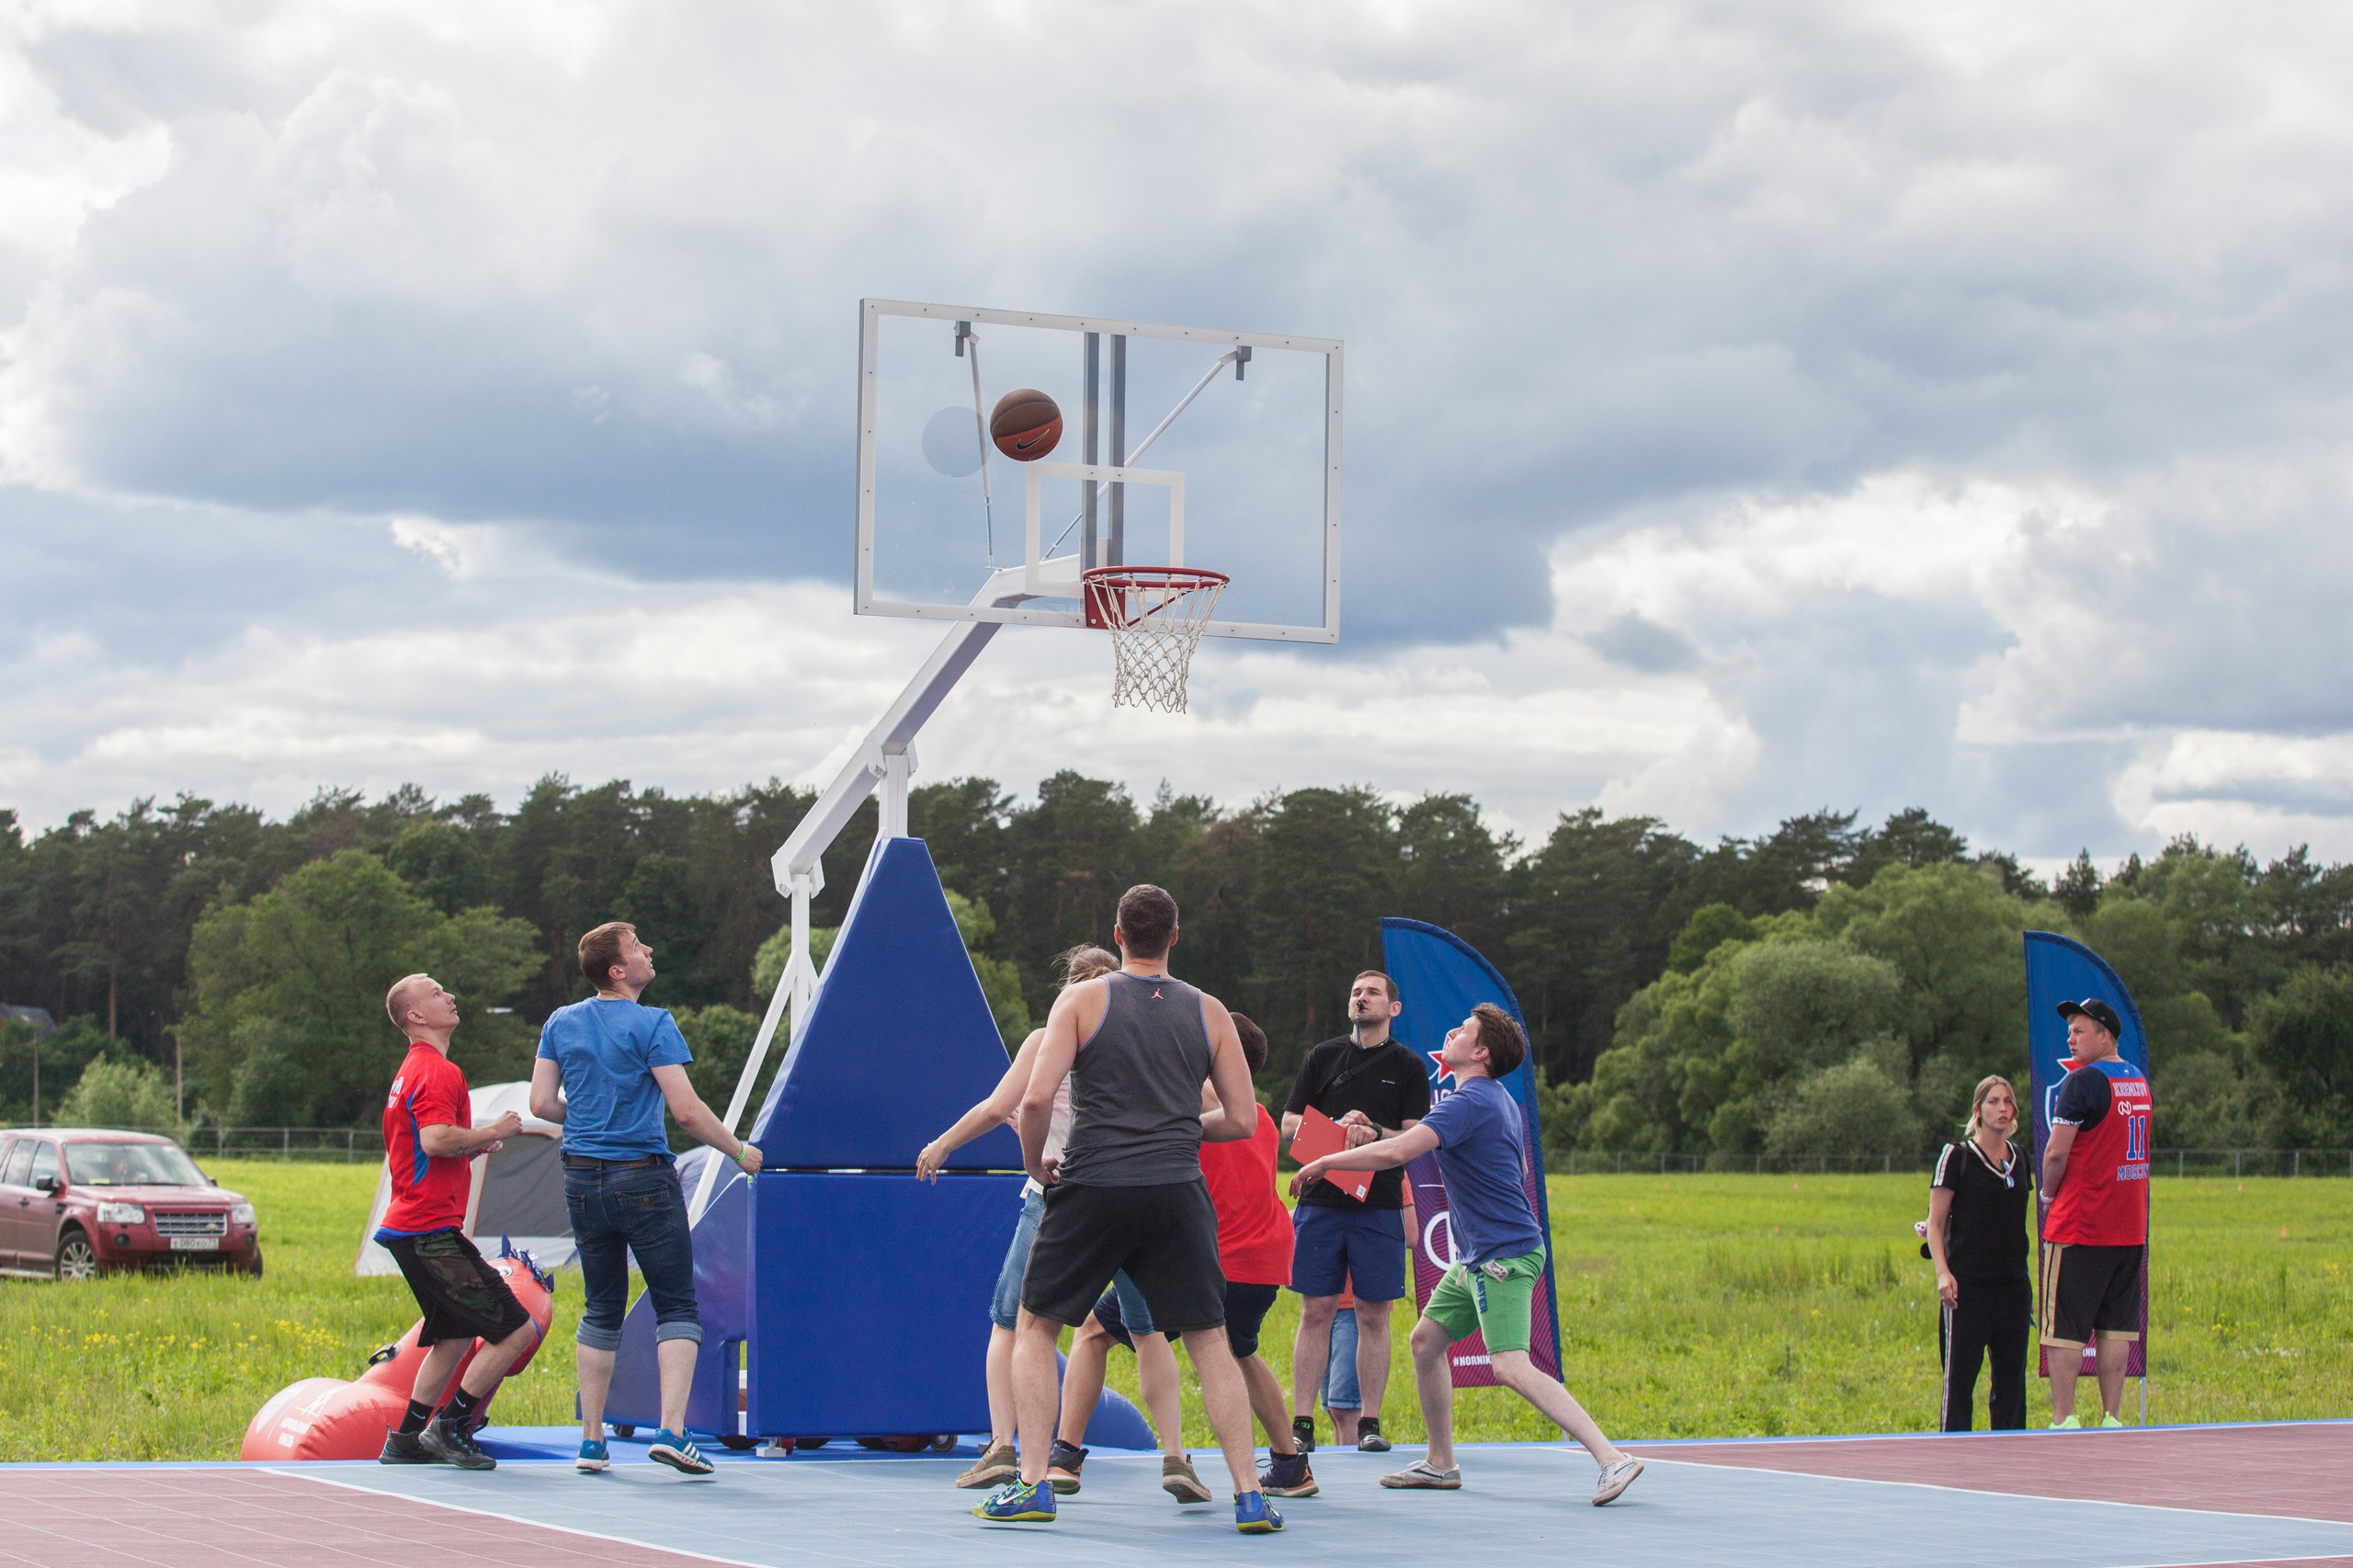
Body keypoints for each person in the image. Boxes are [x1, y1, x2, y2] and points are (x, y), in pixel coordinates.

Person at [977, 884, 1285, 1535]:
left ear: (1117, 936)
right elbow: (1239, 1117)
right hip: (1176, 1189)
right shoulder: (1210, 1012)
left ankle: (1034, 1483)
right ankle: (1249, 1493)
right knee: (1208, 1341)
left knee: (1034, 1328)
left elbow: (1033, 1102)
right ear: (1175, 937)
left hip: (1092, 1186)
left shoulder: (1082, 1000)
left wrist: (1036, 1166)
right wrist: (1175, 1130)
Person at [1295, 1004, 1643, 1506]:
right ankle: (1440, 1463)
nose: (1450, 1032)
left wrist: (1325, 1160)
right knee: (1425, 1342)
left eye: (1462, 1031)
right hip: (1481, 1257)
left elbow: (1396, 1153)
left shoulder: (1468, 1102)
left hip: (1502, 1257)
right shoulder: (1495, 1098)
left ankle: (1612, 1457)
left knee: (1509, 1365)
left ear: (1479, 1053)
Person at [916, 946, 1187, 1496]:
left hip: (1056, 1193)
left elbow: (1001, 1107)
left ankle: (1002, 1446)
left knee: (1014, 1322)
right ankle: (1177, 1455)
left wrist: (944, 1144)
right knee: (1147, 1330)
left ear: (1068, 987)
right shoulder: (1133, 1039)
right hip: (1130, 1192)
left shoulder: (1048, 1039)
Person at [529, 921, 763, 1478]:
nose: (649, 949)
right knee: (677, 1304)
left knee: (601, 1306)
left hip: (582, 1180)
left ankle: (591, 1442)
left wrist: (586, 1117)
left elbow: (542, 1103)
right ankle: (674, 1432)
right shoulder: (654, 1024)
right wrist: (738, 1151)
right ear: (618, 970)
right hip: (644, 1181)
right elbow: (685, 1111)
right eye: (638, 946)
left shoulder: (560, 1022)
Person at [374, 973, 540, 1471]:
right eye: (437, 992)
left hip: (410, 1225)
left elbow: (425, 1152)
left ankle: (404, 1439)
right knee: (516, 1331)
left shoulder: (411, 1070)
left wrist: (471, 1146)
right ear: (416, 1017)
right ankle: (450, 1427)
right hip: (429, 1230)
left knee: (450, 1338)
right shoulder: (439, 1071)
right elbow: (434, 1140)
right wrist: (494, 1129)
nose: (451, 995)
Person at [1281, 971, 1429, 1456]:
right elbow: (1289, 1126)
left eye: (1372, 992)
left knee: (1373, 1315)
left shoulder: (1408, 1067)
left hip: (1380, 1206)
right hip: (1321, 1203)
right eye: (1355, 992)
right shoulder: (1322, 1057)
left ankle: (1369, 1422)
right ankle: (1301, 1422)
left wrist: (1371, 1132)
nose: (1361, 998)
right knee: (1316, 1310)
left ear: (1394, 1008)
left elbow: (1413, 1140)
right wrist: (1339, 1129)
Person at [2040, 998, 2153, 1430]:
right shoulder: (2137, 1081)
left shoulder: (2083, 1081)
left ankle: (2064, 1416)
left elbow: (2055, 1152)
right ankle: (2112, 1415)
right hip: (2128, 1226)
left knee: (2064, 1325)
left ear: (2105, 1035)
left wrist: (2049, 1195)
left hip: (2082, 1222)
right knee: (2116, 1326)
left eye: (2080, 1030)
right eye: (2069, 1030)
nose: (2071, 1038)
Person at [1927, 1075, 2032, 1431]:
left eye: (2007, 1102)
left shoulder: (2020, 1159)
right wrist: (1943, 1273)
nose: (2002, 1109)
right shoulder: (1956, 1157)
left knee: (2012, 1388)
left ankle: (2008, 1461)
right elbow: (1936, 1224)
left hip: (2013, 1288)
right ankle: (1956, 1459)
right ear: (1978, 1110)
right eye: (1993, 1102)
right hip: (1968, 1289)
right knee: (1959, 1385)